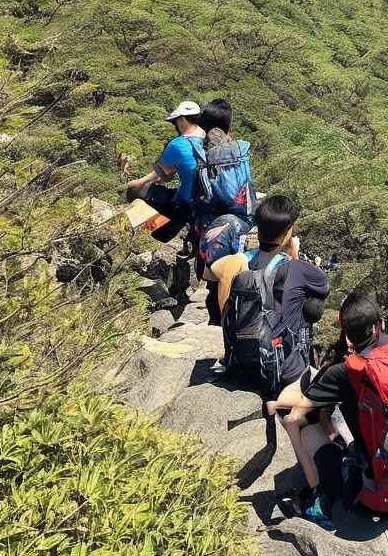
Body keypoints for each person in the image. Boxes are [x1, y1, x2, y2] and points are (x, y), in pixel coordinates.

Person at [267, 292, 388, 530]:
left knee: (305, 429)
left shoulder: (346, 371)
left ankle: (321, 501)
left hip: (377, 493)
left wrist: (286, 417)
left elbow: (296, 414)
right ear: (377, 326)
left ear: (347, 334)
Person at [212, 195, 329, 387]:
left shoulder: (241, 261)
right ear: (287, 232)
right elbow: (323, 287)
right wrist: (294, 254)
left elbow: (213, 269)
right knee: (312, 304)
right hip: (285, 370)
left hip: (244, 362)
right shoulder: (297, 268)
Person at [197, 98, 255, 323]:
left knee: (215, 280)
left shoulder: (200, 154)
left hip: (211, 224)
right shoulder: (240, 149)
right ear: (228, 125)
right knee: (238, 277)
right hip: (242, 222)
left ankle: (215, 321)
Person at [125, 100, 205, 243]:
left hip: (186, 204)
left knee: (136, 191)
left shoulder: (178, 144)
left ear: (182, 120)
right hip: (205, 202)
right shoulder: (206, 137)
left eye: (176, 122)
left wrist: (138, 182)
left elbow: (160, 173)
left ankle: (158, 233)